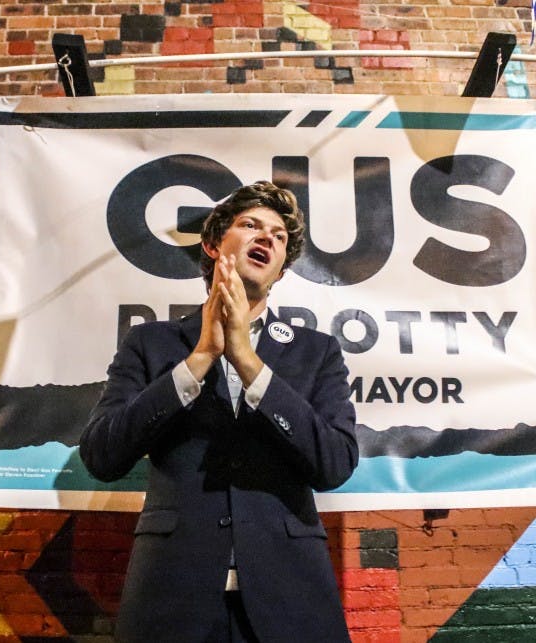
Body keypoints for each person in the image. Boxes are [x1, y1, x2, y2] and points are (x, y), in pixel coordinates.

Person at [80, 180, 359, 642]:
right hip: (171, 597)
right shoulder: (151, 344)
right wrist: (200, 358)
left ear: (281, 271)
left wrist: (249, 363)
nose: (267, 238)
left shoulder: (318, 352)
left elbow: (335, 464)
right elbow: (102, 456)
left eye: (279, 236)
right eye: (251, 225)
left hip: (291, 597)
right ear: (212, 245)